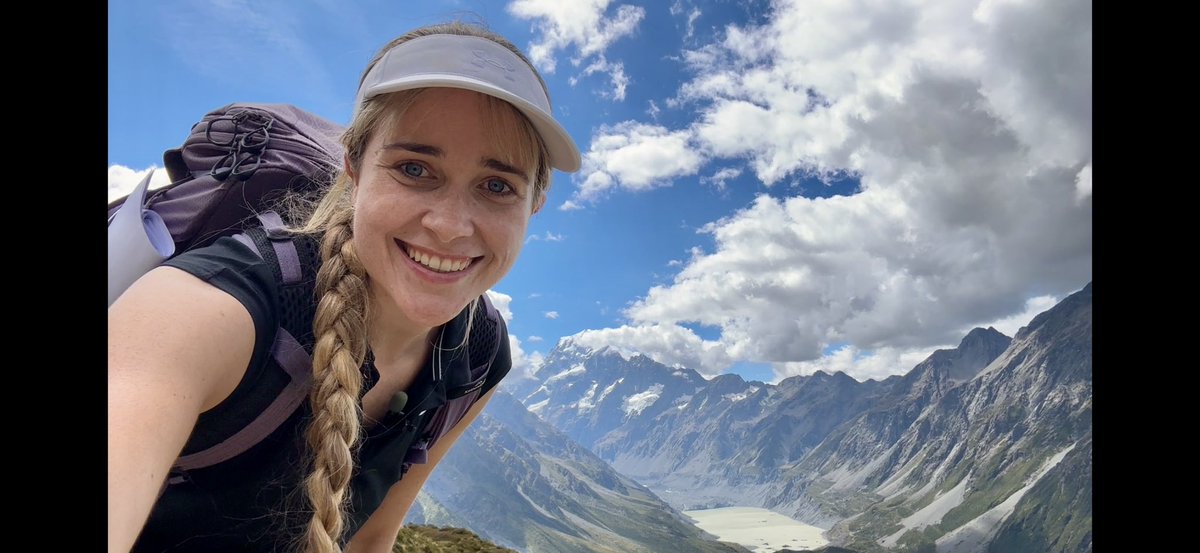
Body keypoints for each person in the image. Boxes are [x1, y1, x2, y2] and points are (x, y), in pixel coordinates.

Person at [108, 22, 580, 553]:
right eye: (415, 168)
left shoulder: (477, 352)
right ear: (354, 168)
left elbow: (372, 539)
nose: (450, 225)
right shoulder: (208, 311)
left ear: (533, 205)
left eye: (497, 186)